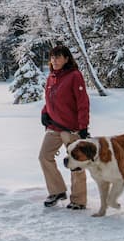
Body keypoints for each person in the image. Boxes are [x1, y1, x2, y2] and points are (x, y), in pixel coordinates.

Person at [39, 44, 91, 210]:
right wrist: (44, 112)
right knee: (44, 156)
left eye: (58, 57)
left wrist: (83, 127)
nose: (54, 60)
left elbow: (83, 102)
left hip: (71, 129)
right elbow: (50, 99)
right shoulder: (51, 77)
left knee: (76, 163)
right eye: (52, 57)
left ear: (67, 59)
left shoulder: (74, 76)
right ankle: (57, 191)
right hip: (54, 127)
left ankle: (79, 200)